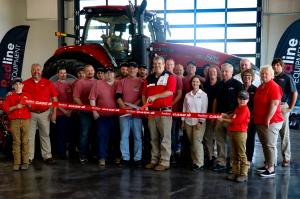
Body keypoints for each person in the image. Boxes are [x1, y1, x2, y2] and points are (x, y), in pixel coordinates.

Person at [142, 56, 176, 171]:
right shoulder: (149, 78)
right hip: (152, 112)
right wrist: (145, 106)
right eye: (155, 63)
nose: (157, 65)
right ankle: (154, 160)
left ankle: (165, 162)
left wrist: (155, 96)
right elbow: (144, 95)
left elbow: (170, 92)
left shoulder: (170, 76)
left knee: (165, 138)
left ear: (164, 64)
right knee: (153, 138)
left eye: (159, 63)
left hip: (164, 111)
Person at [23, 63, 58, 164]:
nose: (36, 72)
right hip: (30, 114)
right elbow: (20, 97)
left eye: (38, 69)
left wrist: (54, 112)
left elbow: (55, 99)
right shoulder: (25, 83)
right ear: (31, 71)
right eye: (34, 70)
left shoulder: (48, 83)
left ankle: (47, 156)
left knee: (45, 135)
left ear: (41, 71)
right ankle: (29, 157)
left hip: (45, 113)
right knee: (29, 136)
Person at [254, 65, 284, 178]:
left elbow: (275, 104)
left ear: (272, 75)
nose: (264, 75)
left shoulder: (273, 86)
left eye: (266, 73)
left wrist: (268, 118)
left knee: (270, 144)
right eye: (262, 73)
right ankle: (267, 164)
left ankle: (271, 169)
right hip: (260, 120)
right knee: (264, 144)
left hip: (271, 121)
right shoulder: (261, 86)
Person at [213, 63, 243, 172]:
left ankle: (233, 163)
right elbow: (216, 100)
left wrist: (234, 115)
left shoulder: (238, 85)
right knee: (220, 140)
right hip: (220, 116)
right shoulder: (219, 84)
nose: (224, 73)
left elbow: (241, 103)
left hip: (231, 116)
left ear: (231, 73)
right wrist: (214, 115)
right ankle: (221, 162)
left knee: (232, 142)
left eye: (226, 71)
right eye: (223, 71)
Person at [89, 67, 119, 167]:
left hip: (116, 117)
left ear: (114, 74)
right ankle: (102, 157)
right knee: (102, 137)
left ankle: (115, 157)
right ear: (104, 74)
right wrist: (94, 111)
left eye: (111, 73)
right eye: (107, 73)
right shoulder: (98, 84)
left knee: (115, 138)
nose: (109, 74)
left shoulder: (118, 83)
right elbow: (92, 98)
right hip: (102, 117)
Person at [116, 62, 144, 167]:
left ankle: (138, 159)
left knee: (137, 136)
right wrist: (124, 108)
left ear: (137, 70)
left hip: (136, 113)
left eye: (134, 68)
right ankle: (125, 158)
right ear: (127, 70)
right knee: (124, 136)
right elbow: (118, 96)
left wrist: (132, 108)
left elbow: (142, 97)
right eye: (130, 68)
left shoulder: (142, 82)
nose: (132, 70)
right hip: (124, 113)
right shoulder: (121, 82)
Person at [272, 58, 298, 167]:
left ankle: (286, 158)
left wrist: (290, 108)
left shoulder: (287, 77)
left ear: (282, 66)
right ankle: (271, 160)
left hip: (282, 107)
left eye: (277, 65)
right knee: (271, 135)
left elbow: (294, 93)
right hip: (271, 107)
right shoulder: (271, 77)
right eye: (274, 65)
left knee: (284, 134)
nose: (275, 67)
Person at [220, 90, 250, 182]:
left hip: (240, 133)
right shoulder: (238, 108)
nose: (242, 101)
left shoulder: (245, 109)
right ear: (237, 99)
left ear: (248, 100)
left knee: (241, 154)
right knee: (234, 153)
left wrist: (223, 120)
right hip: (234, 132)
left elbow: (235, 121)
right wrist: (226, 115)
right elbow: (233, 116)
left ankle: (243, 174)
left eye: (244, 99)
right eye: (240, 98)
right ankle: (235, 172)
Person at [3, 78, 31, 170]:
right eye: (16, 84)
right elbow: (6, 109)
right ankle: (16, 163)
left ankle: (25, 162)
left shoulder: (27, 95)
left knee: (25, 141)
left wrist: (29, 104)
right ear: (13, 86)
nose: (18, 86)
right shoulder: (9, 96)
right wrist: (16, 107)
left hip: (26, 120)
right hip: (14, 121)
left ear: (22, 85)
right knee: (16, 142)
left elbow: (32, 107)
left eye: (20, 84)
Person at [182, 75, 208, 171]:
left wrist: (201, 121)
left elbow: (204, 109)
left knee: (197, 142)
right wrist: (183, 121)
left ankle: (199, 163)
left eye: (197, 82)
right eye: (193, 82)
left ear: (200, 83)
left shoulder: (203, 95)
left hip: (199, 122)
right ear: (191, 83)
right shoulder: (187, 95)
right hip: (188, 122)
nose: (195, 83)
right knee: (192, 142)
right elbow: (184, 108)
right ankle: (194, 161)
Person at [73, 64, 97, 164]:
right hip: (85, 113)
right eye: (88, 71)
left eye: (92, 70)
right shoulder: (80, 82)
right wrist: (84, 107)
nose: (90, 72)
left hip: (96, 112)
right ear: (85, 72)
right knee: (84, 134)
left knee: (95, 134)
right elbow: (75, 97)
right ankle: (83, 155)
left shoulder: (98, 82)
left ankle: (93, 154)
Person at [53, 67, 75, 159]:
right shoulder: (54, 85)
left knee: (71, 135)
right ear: (58, 74)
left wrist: (70, 111)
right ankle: (61, 153)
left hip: (71, 113)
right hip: (61, 114)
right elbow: (55, 101)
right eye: (61, 73)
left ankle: (71, 153)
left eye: (65, 73)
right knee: (61, 135)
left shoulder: (70, 85)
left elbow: (74, 99)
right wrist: (65, 111)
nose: (63, 75)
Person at [203, 65, 221, 167]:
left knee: (218, 137)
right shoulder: (205, 84)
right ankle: (210, 156)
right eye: (210, 72)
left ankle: (218, 158)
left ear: (217, 73)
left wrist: (214, 116)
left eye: (214, 72)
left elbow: (216, 101)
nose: (212, 73)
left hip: (216, 114)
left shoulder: (220, 84)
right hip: (206, 113)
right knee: (208, 136)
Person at [166, 58, 183, 162]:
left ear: (174, 66)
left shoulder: (177, 78)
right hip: (162, 111)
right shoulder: (162, 77)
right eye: (167, 64)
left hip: (173, 110)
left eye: (170, 64)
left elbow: (179, 94)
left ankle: (172, 154)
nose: (169, 66)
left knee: (173, 133)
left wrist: (170, 104)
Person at [241, 69, 257, 166]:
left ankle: (249, 159)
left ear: (252, 78)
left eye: (249, 77)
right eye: (245, 77)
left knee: (250, 139)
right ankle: (241, 158)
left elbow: (257, 105)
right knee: (241, 139)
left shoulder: (255, 89)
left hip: (251, 118)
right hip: (241, 118)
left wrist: (252, 116)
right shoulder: (240, 88)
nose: (247, 79)